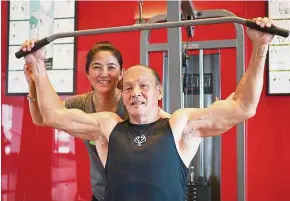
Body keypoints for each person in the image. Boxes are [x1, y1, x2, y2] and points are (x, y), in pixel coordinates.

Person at [23, 17, 275, 201]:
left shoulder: (179, 125)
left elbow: (242, 107)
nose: (135, 93)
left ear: (159, 92)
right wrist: (37, 64)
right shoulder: (107, 126)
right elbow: (53, 115)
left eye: (144, 85)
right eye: (129, 87)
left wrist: (261, 46)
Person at [22, 40, 170, 201]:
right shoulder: (80, 104)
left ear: (122, 74)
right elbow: (42, 119)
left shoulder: (132, 102)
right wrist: (33, 82)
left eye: (111, 67)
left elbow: (163, 120)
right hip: (101, 194)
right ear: (87, 73)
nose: (104, 73)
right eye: (96, 67)